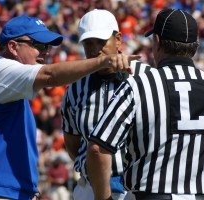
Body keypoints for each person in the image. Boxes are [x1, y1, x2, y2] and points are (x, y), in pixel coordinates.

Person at [0, 15, 139, 200]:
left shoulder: (10, 88)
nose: (46, 53)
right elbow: (50, 75)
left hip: (3, 191)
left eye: (49, 47)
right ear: (13, 47)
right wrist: (104, 61)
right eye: (39, 46)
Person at [86, 8, 204, 200]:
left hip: (153, 195)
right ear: (195, 46)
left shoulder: (138, 85)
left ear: (156, 42)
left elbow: (98, 149)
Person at [61, 9, 151, 200]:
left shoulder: (146, 77)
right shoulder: (76, 86)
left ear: (118, 40)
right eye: (88, 43)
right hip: (90, 189)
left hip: (136, 189)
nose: (94, 50)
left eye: (101, 42)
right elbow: (73, 144)